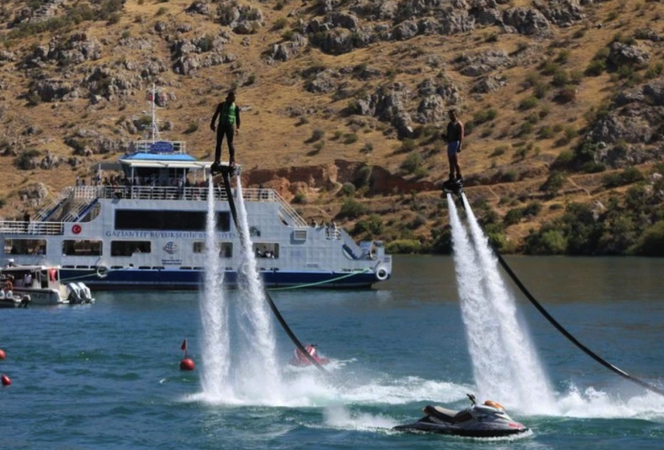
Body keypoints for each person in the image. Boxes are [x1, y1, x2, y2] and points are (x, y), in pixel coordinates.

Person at [210, 91, 241, 168]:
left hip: (230, 126)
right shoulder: (221, 105)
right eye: (232, 98)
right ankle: (217, 160)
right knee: (219, 143)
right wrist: (212, 124)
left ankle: (232, 161)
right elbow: (216, 114)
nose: (233, 99)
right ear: (229, 97)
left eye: (234, 98)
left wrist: (238, 128)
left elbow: (237, 118)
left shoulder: (235, 107)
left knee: (230, 143)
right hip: (221, 125)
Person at [442, 109, 464, 182]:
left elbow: (461, 135)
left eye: (453, 114)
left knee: (455, 161)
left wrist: (460, 145)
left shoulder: (458, 124)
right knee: (450, 161)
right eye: (450, 115)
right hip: (450, 143)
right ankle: (452, 177)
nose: (451, 116)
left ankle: (459, 176)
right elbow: (448, 136)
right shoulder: (450, 124)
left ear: (456, 114)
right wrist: (445, 137)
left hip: (455, 143)